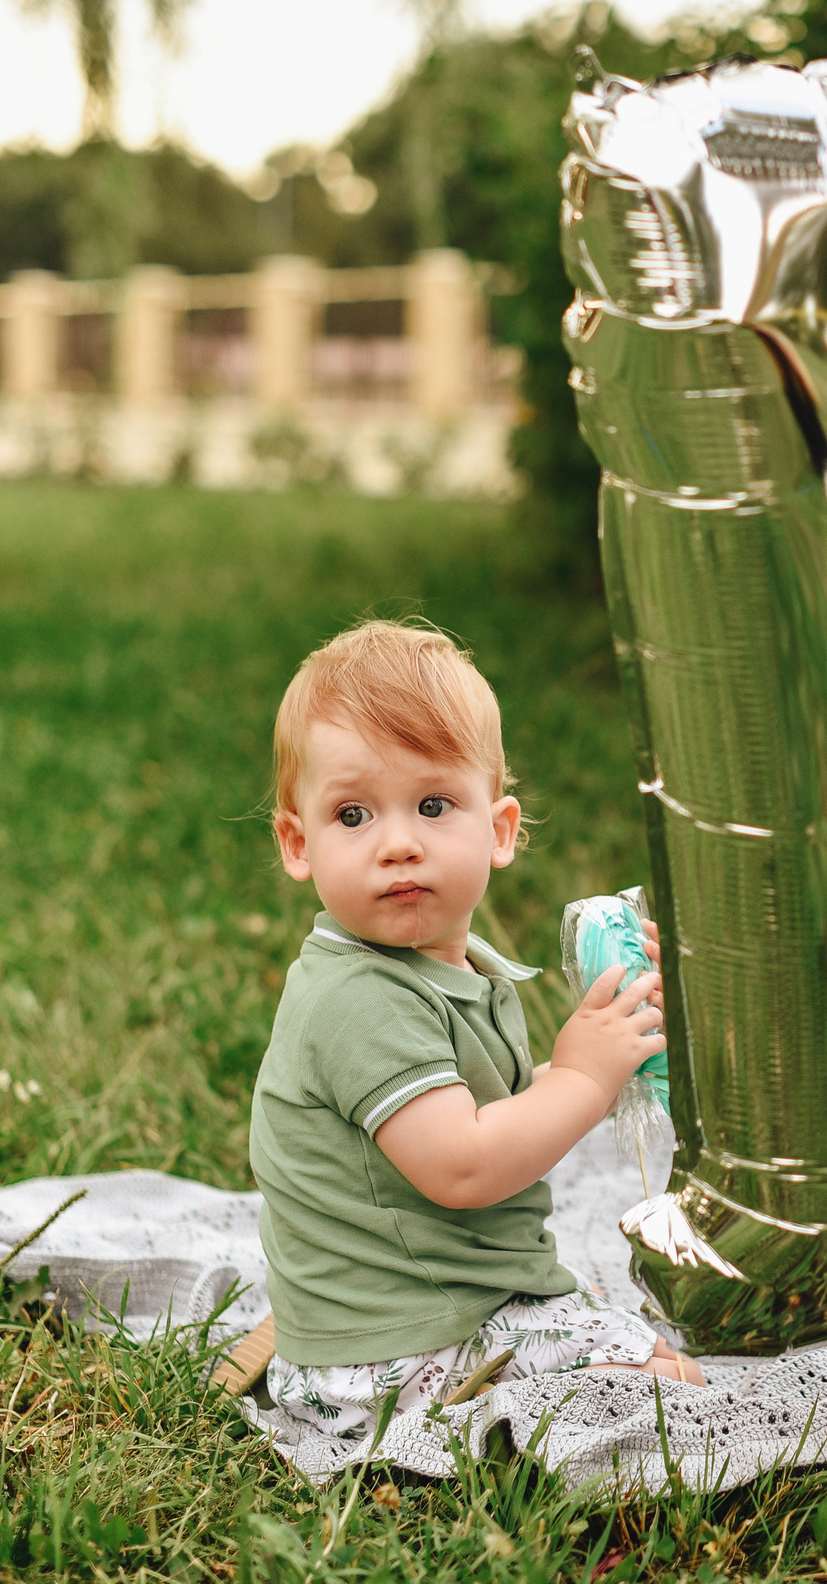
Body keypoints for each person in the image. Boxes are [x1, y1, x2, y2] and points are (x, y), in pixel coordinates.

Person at [248, 619, 700, 1451]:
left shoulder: (448, 969)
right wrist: (578, 1076)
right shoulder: (358, 998)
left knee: (646, 1352)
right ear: (298, 842)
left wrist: (606, 1039)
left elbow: (498, 1103)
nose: (398, 842)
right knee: (671, 1386)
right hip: (386, 1357)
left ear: (497, 830)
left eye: (432, 804)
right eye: (353, 813)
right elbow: (464, 1164)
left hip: (433, 1308)